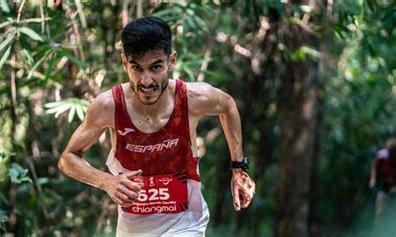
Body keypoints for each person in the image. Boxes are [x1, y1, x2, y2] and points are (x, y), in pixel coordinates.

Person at [58, 16, 256, 236]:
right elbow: (67, 158)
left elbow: (227, 106)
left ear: (171, 61)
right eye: (137, 68)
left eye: (156, 67)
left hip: (186, 220)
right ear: (125, 64)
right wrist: (106, 181)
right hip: (134, 226)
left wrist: (239, 168)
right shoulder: (109, 106)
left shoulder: (191, 98)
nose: (146, 80)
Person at [368, 138, 396, 227]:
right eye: (391, 154)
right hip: (384, 185)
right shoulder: (381, 156)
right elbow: (374, 166)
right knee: (380, 211)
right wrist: (373, 179)